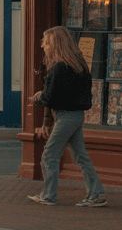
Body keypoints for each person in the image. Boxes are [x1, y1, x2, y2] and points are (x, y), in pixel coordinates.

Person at [27, 26, 107, 208]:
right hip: (77, 115)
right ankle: (97, 194)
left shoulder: (58, 68)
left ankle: (48, 196)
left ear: (55, 44)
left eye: (46, 42)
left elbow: (52, 97)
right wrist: (46, 94)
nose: (43, 46)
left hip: (65, 117)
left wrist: (40, 98)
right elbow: (74, 94)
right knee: (81, 157)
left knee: (49, 155)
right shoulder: (79, 66)